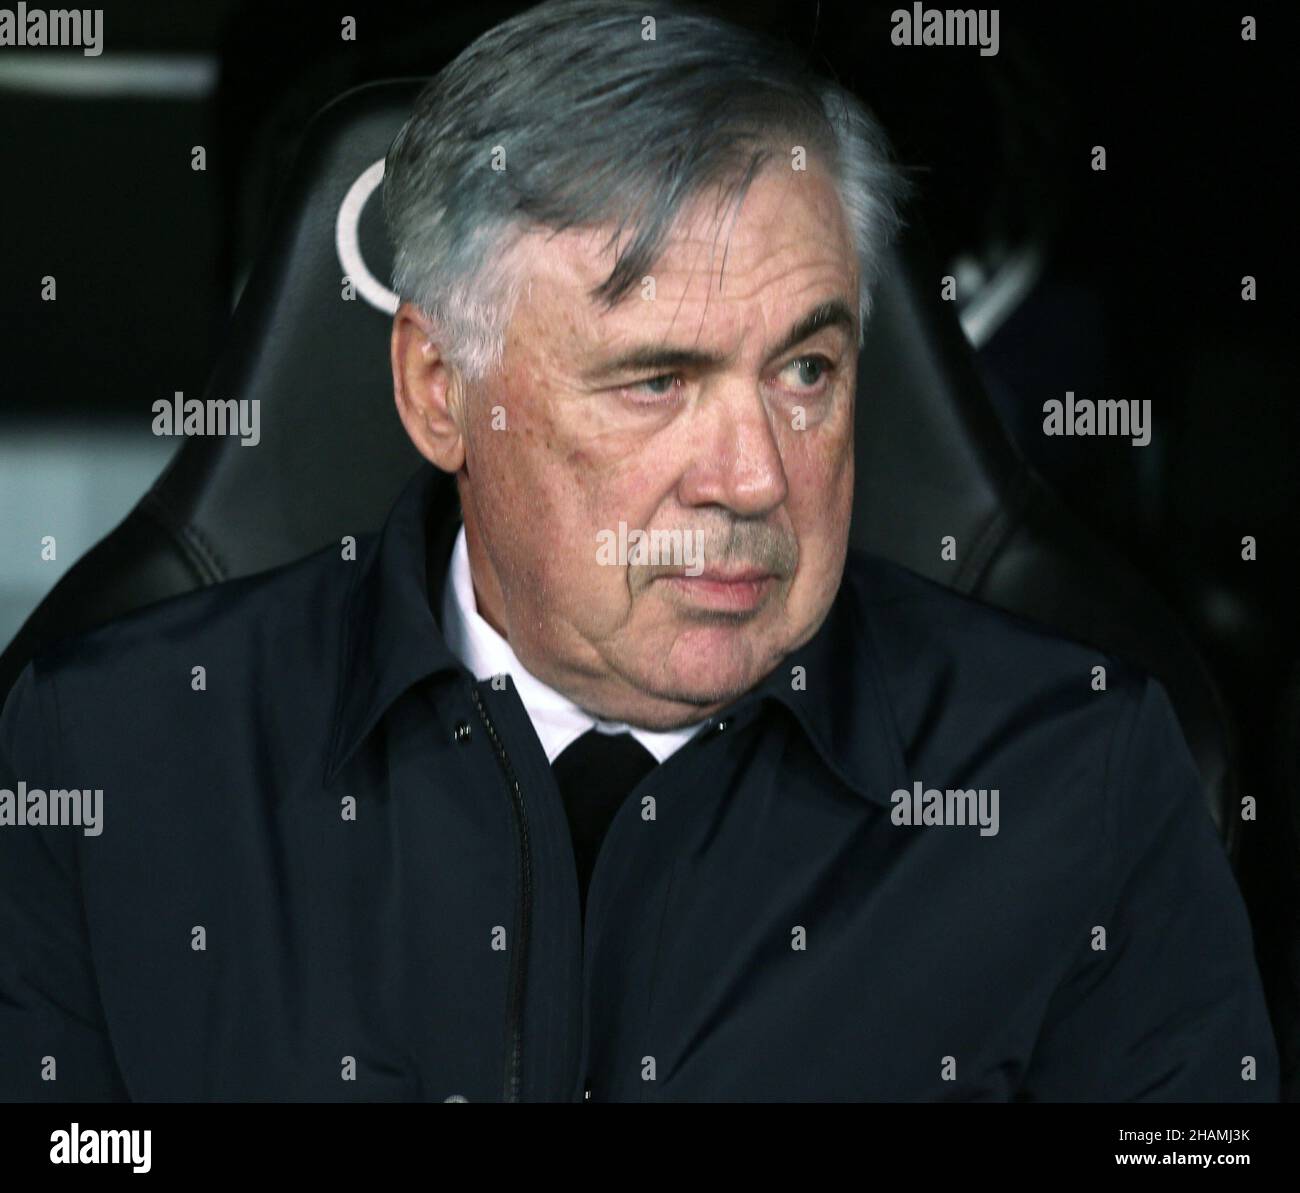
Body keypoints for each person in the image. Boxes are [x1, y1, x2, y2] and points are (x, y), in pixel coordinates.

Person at [0, 0, 1278, 1101]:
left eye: (807, 368)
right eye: (655, 380)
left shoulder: (1080, 778)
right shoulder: (106, 763)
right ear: (441, 388)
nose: (754, 476)